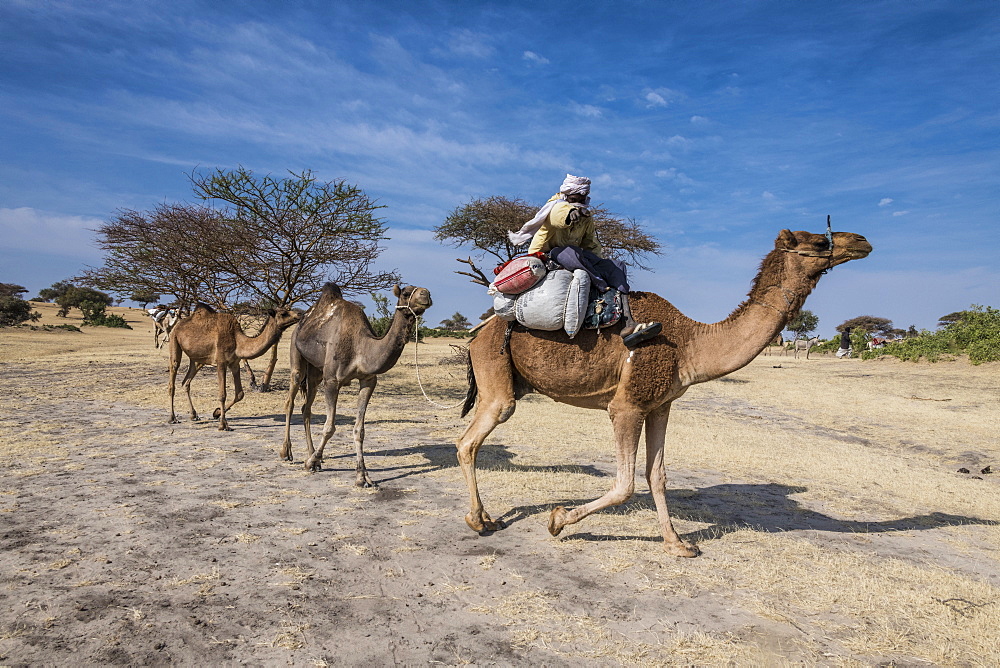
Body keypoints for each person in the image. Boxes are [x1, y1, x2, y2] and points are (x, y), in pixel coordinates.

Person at [507, 174, 661, 348]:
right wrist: (571, 212)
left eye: (581, 199)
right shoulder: (556, 207)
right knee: (569, 253)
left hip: (577, 255)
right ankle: (601, 285)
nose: (578, 201)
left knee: (616, 266)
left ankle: (628, 322)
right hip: (547, 255)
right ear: (566, 195)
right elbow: (558, 217)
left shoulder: (586, 217)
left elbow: (591, 243)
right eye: (574, 198)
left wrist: (599, 261)